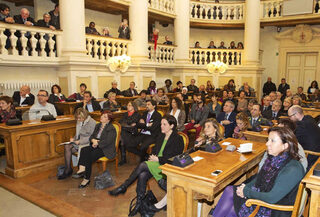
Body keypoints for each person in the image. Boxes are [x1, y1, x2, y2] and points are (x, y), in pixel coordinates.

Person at [208, 127, 305, 217]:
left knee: (232, 210)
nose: (267, 144)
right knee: (230, 190)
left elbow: (272, 198)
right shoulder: (275, 159)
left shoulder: (293, 169)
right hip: (265, 197)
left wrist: (247, 192)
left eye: (272, 141)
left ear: (285, 146)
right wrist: (245, 187)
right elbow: (259, 178)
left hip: (276, 209)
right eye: (268, 140)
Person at [109, 115, 184, 216]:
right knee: (142, 175)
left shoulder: (178, 139)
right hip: (156, 164)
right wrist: (152, 156)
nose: (161, 126)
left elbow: (175, 159)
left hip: (166, 166)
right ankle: (139, 203)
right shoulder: (161, 135)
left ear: (172, 126)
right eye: (161, 124)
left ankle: (124, 186)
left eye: (164, 124)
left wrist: (158, 159)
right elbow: (155, 150)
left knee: (143, 165)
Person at [72, 110, 117, 188]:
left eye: (105, 117)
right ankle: (82, 169)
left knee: (89, 156)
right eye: (102, 115)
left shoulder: (111, 128)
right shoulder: (98, 125)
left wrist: (97, 143)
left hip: (106, 149)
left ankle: (86, 179)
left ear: (108, 120)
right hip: (96, 145)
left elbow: (108, 142)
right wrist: (93, 140)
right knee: (84, 150)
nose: (102, 117)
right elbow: (92, 136)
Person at [57, 108, 96, 180]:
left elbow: (91, 137)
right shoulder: (79, 121)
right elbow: (78, 134)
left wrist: (80, 141)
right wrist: (74, 139)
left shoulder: (92, 122)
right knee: (67, 146)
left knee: (82, 149)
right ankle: (68, 169)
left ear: (85, 116)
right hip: (78, 142)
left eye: (80, 118)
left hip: (87, 143)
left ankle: (82, 170)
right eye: (77, 118)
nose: (78, 120)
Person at [288, 105, 320, 170]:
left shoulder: (301, 126)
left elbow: (292, 139)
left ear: (296, 114)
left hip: (310, 155)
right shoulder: (309, 118)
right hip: (317, 150)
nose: (289, 119)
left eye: (290, 116)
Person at [118, 101, 141, 166]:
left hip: (132, 133)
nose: (127, 106)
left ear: (133, 106)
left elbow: (132, 122)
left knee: (121, 137)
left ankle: (123, 158)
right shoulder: (125, 114)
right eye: (128, 105)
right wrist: (128, 124)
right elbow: (120, 122)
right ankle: (123, 158)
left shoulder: (137, 114)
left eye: (129, 105)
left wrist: (126, 124)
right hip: (126, 131)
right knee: (122, 136)